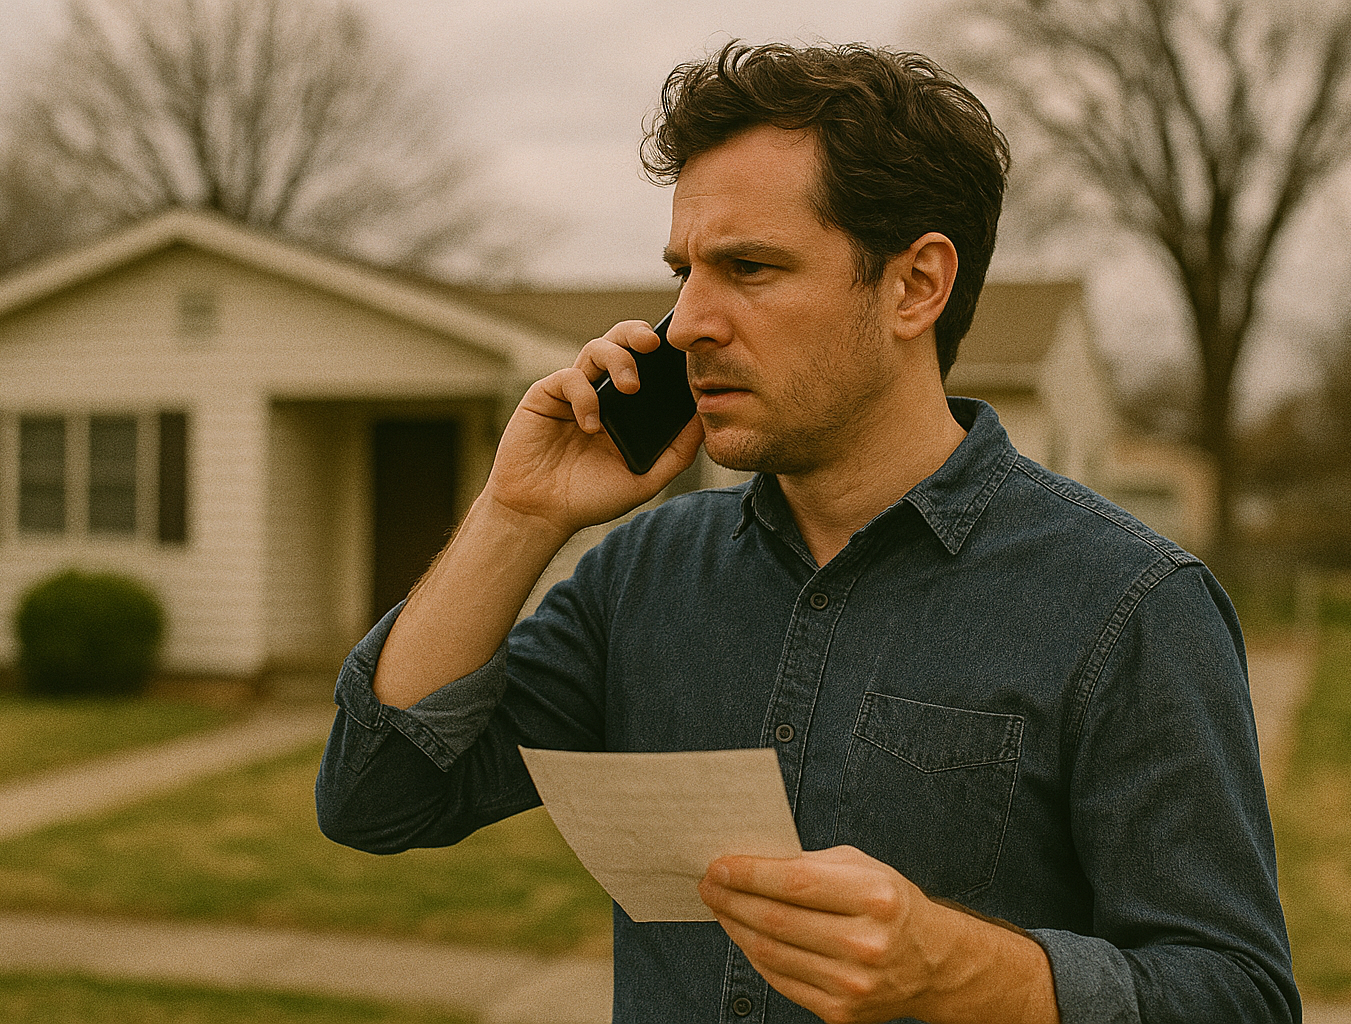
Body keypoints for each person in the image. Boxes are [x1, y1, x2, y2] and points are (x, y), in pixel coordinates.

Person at [317, 41, 1298, 1024]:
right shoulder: (644, 576)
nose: (688, 319)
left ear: (915, 285)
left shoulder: (1125, 605)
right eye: (684, 270)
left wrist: (960, 968)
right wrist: (516, 513)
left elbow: (1240, 996)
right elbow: (378, 795)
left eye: (748, 266)